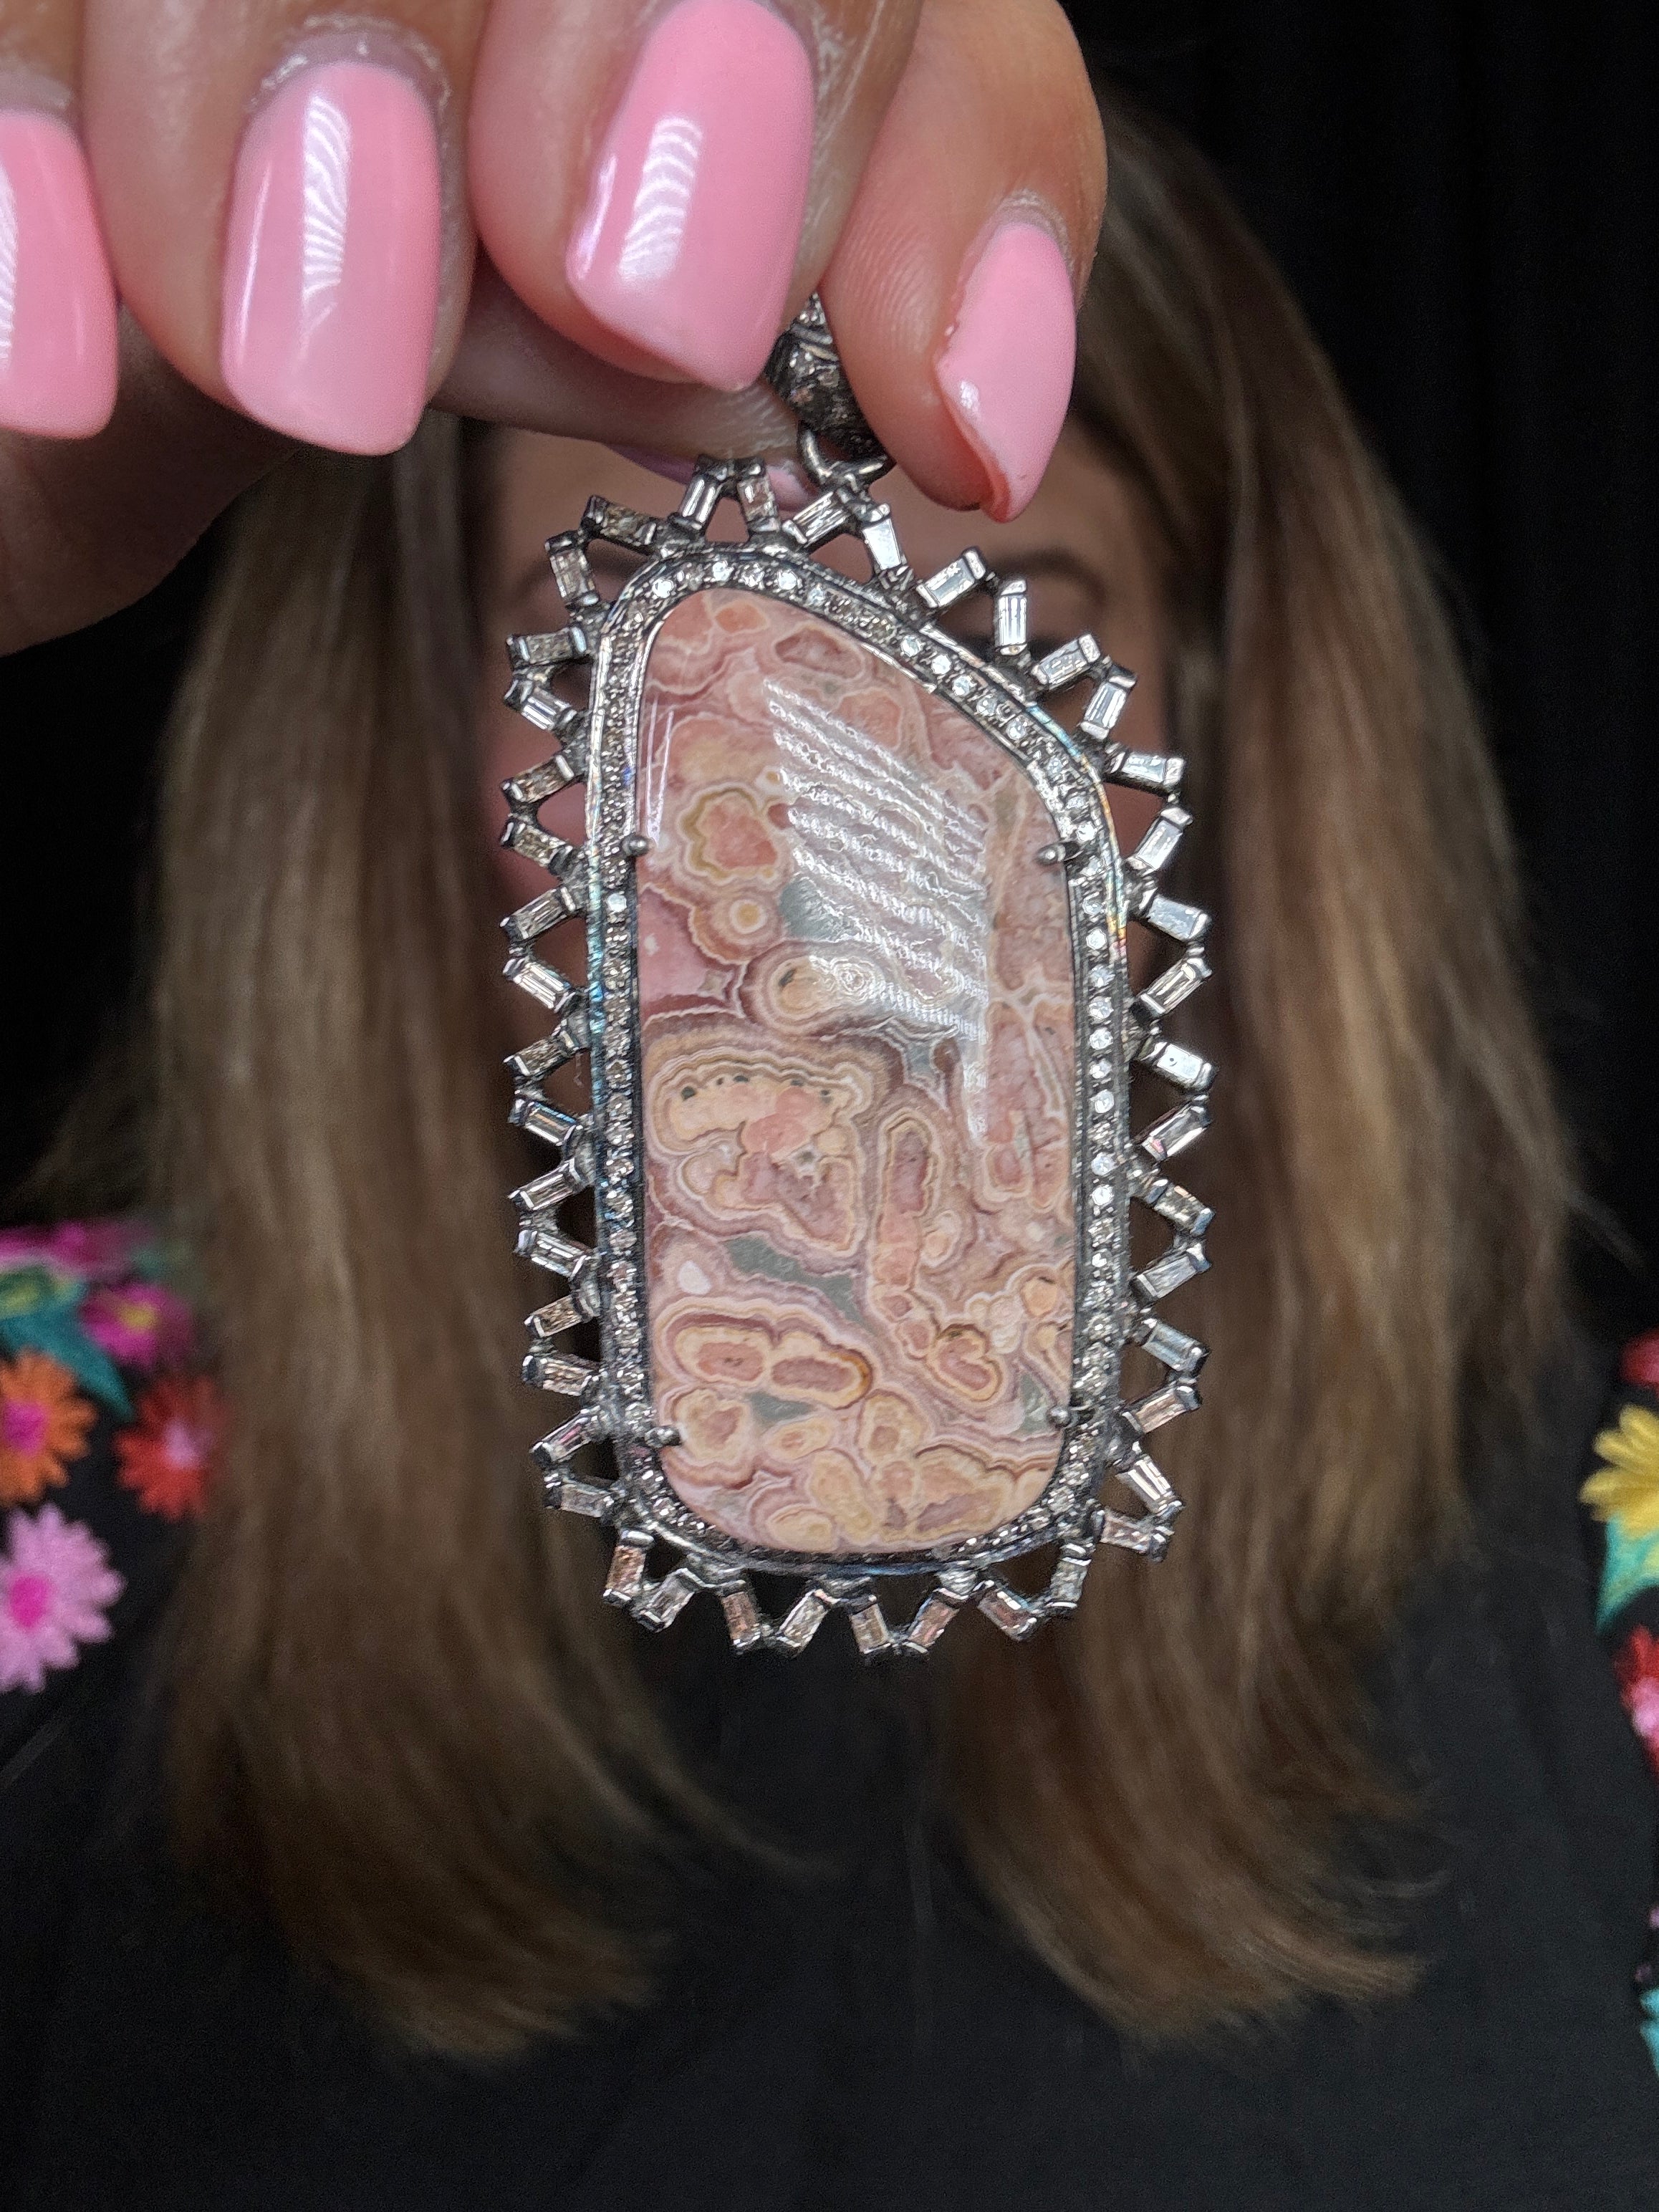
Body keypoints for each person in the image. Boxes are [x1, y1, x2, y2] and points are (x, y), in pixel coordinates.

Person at [1, 4, 1656, 2204]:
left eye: (992, 632)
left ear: (1199, 726)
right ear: (408, 729)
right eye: (631, 644)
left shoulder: (1615, 1554)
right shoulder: (45, 1464)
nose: (813, 834)